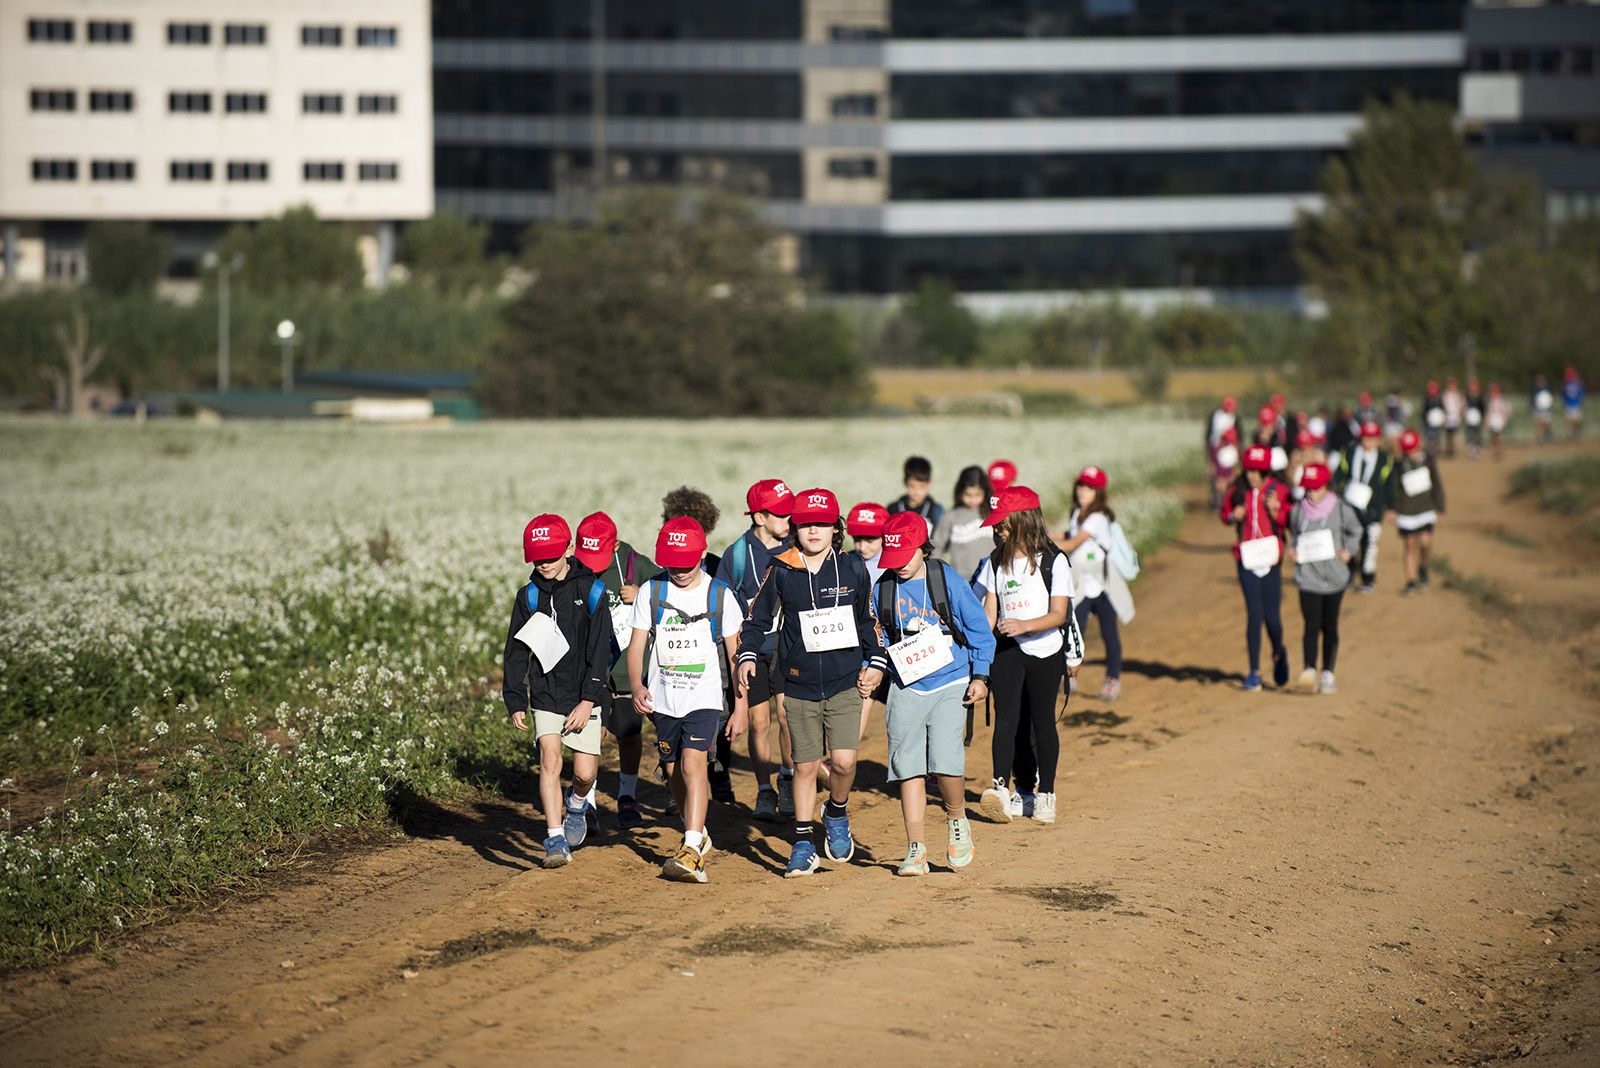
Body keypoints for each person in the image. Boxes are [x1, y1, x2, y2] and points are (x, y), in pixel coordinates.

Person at [735, 488, 888, 878]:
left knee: (844, 761)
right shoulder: (781, 567)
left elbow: (867, 621)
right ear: (795, 528)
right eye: (805, 524)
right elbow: (756, 619)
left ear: (836, 529)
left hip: (844, 681)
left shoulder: (852, 568)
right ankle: (803, 842)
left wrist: (876, 661)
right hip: (799, 683)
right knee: (804, 767)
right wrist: (748, 654)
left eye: (822, 524)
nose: (813, 531)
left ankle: (836, 810)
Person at [873, 512, 995, 875]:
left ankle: (957, 821)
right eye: (891, 561)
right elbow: (878, 635)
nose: (898, 568)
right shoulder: (884, 587)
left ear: (922, 550)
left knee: (945, 760)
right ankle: (915, 848)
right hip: (906, 684)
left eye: (904, 559)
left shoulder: (945, 580)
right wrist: (874, 665)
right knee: (906, 765)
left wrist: (981, 675)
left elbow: (977, 629)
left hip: (951, 680)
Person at [626, 518, 747, 883]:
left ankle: (692, 848)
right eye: (672, 564)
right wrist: (636, 685)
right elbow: (636, 646)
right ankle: (694, 829)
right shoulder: (651, 591)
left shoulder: (720, 595)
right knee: (671, 770)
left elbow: (735, 657)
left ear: (700, 556)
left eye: (687, 564)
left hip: (704, 697)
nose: (679, 571)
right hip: (663, 698)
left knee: (695, 765)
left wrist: (740, 707)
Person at [501, 514, 613, 869]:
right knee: (550, 759)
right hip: (547, 693)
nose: (544, 563)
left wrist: (589, 699)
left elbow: (601, 652)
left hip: (584, 694)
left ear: (568, 549)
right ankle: (554, 838)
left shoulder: (592, 590)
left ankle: (578, 804)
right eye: (537, 557)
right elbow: (516, 651)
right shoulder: (529, 596)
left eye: (551, 555)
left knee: (584, 774)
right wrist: (515, 697)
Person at [975, 485, 1076, 826]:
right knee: (1007, 721)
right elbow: (990, 611)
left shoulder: (1054, 560)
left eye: (1002, 523)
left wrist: (1025, 625)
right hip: (1008, 649)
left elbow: (1059, 613)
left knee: (1042, 723)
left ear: (1022, 520)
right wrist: (976, 646)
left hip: (1045, 650)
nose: (996, 529)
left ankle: (1046, 793)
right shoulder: (995, 560)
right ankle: (1005, 790)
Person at [715, 479, 796, 822]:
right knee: (759, 721)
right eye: (781, 515)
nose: (789, 521)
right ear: (760, 517)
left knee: (787, 716)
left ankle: (789, 780)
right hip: (752, 649)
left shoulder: (796, 546)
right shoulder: (736, 554)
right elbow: (720, 600)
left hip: (789, 646)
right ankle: (765, 790)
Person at [573, 511, 660, 830]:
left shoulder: (636, 565)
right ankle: (588, 802)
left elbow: (671, 593)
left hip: (625, 667)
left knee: (628, 730)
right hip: (589, 667)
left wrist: (642, 596)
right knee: (591, 733)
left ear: (616, 545)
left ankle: (627, 795)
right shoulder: (575, 569)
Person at [660, 486, 736, 802]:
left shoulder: (719, 566)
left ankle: (718, 772)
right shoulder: (662, 572)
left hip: (714, 646)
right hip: (674, 653)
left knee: (720, 709)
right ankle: (679, 783)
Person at [1287, 463, 1362, 695]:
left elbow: (1356, 530)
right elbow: (1294, 535)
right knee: (1311, 625)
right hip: (1308, 579)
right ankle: (1309, 670)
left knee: (1329, 626)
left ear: (1326, 486)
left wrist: (1348, 550)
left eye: (1316, 488)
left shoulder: (1340, 509)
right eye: (1307, 488)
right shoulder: (1298, 510)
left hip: (1335, 579)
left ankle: (1328, 672)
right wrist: (1293, 551)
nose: (1311, 493)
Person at [1220, 446, 1291, 692]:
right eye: (1249, 469)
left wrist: (1277, 511)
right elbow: (1224, 513)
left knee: (1272, 617)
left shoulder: (1279, 490)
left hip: (1271, 559)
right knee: (1254, 614)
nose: (1252, 475)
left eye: (1257, 470)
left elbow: (1291, 519)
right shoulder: (1237, 490)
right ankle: (1254, 671)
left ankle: (1278, 650)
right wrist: (1233, 516)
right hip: (1246, 558)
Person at [1060, 466, 1125, 703]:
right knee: (1076, 631)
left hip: (1101, 584)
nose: (1082, 491)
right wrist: (1045, 534)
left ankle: (1112, 679)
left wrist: (1039, 545)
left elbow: (1073, 543)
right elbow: (1068, 535)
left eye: (1088, 487)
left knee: (1109, 633)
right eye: (1080, 485)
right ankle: (1070, 675)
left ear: (1099, 492)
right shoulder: (1078, 512)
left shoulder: (1097, 517)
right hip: (1082, 584)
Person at [846, 501, 890, 741]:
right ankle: (842, 762)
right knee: (862, 698)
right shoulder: (847, 562)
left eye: (870, 539)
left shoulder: (896, 563)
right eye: (857, 539)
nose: (862, 546)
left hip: (895, 644)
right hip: (862, 643)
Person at [1332, 420, 1393, 594]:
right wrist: (1338, 491)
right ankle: (1349, 575)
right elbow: (1339, 475)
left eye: (1373, 437)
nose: (1369, 440)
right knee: (1349, 540)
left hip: (1373, 507)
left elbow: (1389, 484)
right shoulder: (1350, 453)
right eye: (1366, 437)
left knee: (1370, 543)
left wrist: (1391, 507)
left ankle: (1368, 578)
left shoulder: (1384, 458)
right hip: (1350, 505)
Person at [1388, 429, 1445, 593]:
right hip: (1406, 512)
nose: (1411, 452)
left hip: (1426, 509)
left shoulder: (1428, 461)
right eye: (1408, 449)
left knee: (1426, 542)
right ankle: (1411, 580)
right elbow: (1393, 489)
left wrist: (1441, 509)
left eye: (1413, 448)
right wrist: (1392, 509)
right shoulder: (1398, 465)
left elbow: (1437, 486)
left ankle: (1424, 566)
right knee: (1409, 544)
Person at [931, 464, 994, 582]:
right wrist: (939, 576)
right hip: (960, 581)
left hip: (990, 581)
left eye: (977, 494)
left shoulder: (993, 514)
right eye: (968, 494)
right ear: (960, 492)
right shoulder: (950, 516)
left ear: (985, 492)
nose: (973, 499)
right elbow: (936, 547)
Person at [889, 455, 944, 532]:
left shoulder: (936, 511)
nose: (917, 491)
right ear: (905, 483)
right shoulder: (893, 509)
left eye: (922, 486)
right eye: (912, 486)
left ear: (929, 484)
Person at [1210, 426, 1242, 511]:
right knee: (1223, 488)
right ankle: (1223, 505)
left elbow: (1236, 461)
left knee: (1228, 489)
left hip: (1228, 471)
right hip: (1223, 471)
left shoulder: (1230, 447)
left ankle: (1226, 504)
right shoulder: (1219, 447)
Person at [1441, 378, 1465, 459]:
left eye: (1453, 384)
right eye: (1450, 384)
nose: (1451, 386)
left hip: (1455, 417)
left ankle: (1453, 450)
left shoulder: (1458, 395)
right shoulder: (1445, 395)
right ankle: (1449, 450)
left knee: (1454, 434)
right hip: (1447, 417)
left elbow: (1462, 406)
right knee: (1448, 434)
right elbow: (1442, 407)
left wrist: (1461, 416)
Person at [1487, 383, 1511, 462]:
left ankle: (1499, 452)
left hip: (1498, 420)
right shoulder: (1491, 401)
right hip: (1493, 420)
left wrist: (1504, 419)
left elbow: (1506, 411)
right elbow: (1489, 412)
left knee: (1498, 437)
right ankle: (1496, 451)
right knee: (1494, 437)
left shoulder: (1501, 401)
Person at [1464, 379, 1486, 459]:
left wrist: (1483, 418)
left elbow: (1483, 409)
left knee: (1478, 435)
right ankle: (1471, 450)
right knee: (1470, 435)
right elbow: (1465, 407)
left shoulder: (1480, 397)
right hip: (1470, 419)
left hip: (1477, 418)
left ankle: (1478, 451)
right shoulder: (1467, 396)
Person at [1532, 373, 1555, 445]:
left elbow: (1550, 398)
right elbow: (1532, 399)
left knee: (1546, 424)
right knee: (1538, 425)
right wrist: (1532, 406)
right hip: (1537, 409)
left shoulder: (1548, 387)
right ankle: (1539, 439)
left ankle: (1547, 436)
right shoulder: (1534, 388)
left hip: (1546, 410)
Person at [1422, 380, 1445, 451]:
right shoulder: (1426, 398)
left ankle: (1436, 449)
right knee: (1430, 436)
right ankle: (1430, 449)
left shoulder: (1439, 398)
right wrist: (1425, 421)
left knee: (1437, 436)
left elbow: (1442, 409)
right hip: (1429, 422)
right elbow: (1424, 411)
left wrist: (1442, 419)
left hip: (1437, 422)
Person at [1564, 366, 1586, 441]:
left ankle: (1576, 433)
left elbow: (1582, 393)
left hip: (1577, 404)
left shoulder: (1578, 383)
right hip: (1569, 404)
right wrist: (1564, 402)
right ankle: (1571, 434)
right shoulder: (1566, 383)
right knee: (1569, 420)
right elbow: (1564, 394)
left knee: (1576, 420)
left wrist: (1581, 402)